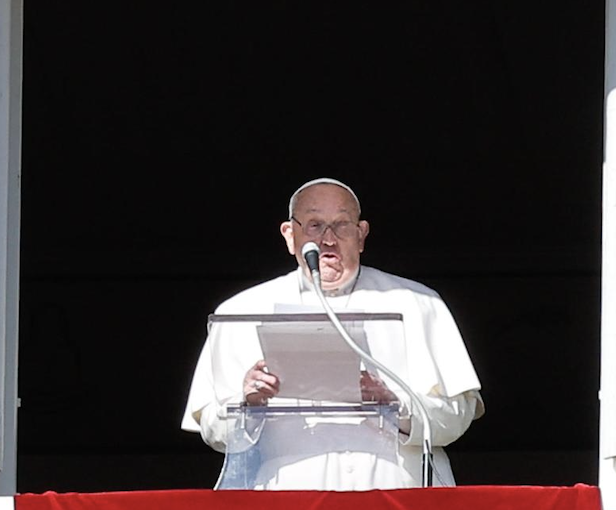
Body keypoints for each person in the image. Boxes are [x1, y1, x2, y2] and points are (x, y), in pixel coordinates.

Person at [181, 177, 484, 489]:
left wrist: (398, 405)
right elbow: (213, 430)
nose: (328, 239)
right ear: (289, 235)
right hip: (288, 502)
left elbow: (457, 418)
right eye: (314, 225)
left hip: (399, 498)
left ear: (361, 234)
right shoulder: (241, 310)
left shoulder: (418, 302)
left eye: (341, 225)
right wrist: (249, 404)